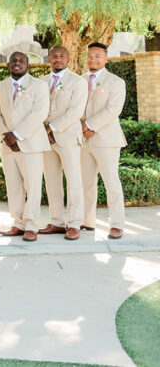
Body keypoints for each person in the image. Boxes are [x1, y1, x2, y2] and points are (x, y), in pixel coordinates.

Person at [0, 51, 50, 242]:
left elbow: (39, 113)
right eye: (13, 61)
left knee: (32, 186)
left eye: (21, 61)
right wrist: (6, 136)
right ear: (8, 65)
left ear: (28, 66)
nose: (17, 63)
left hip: (30, 143)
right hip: (7, 145)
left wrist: (17, 136)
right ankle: (18, 223)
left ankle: (31, 225)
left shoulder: (39, 86)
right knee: (13, 186)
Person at [39, 46, 88, 240]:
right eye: (54, 56)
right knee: (51, 182)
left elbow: (75, 111)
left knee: (74, 181)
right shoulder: (41, 82)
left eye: (62, 56)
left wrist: (51, 128)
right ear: (49, 58)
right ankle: (56, 221)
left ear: (68, 59)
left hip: (67, 138)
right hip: (46, 139)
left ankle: (75, 223)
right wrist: (43, 130)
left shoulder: (78, 82)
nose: (58, 59)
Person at [81, 43, 127, 240]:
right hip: (82, 140)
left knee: (111, 183)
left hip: (106, 140)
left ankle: (116, 224)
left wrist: (90, 126)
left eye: (98, 56)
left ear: (106, 59)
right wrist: (81, 128)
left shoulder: (116, 82)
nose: (93, 59)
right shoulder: (79, 80)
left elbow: (113, 110)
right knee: (86, 184)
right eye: (90, 56)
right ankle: (86, 221)